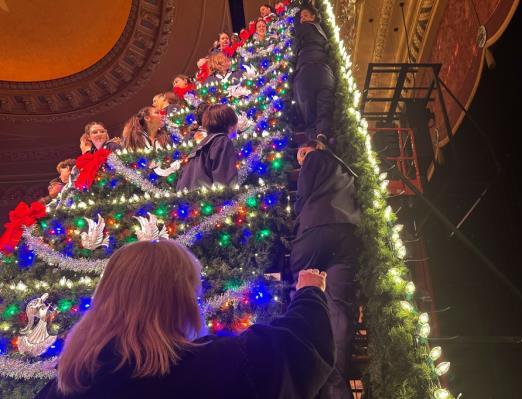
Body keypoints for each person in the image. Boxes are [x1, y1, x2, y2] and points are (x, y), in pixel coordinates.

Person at [35, 240, 334, 399]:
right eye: (194, 293)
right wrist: (309, 291)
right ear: (179, 299)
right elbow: (299, 347)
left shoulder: (66, 385)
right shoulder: (214, 366)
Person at [290, 140, 361, 399]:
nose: (300, 159)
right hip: (347, 232)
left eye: (301, 154)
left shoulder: (314, 158)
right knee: (339, 304)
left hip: (315, 228)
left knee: (300, 291)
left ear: (311, 148)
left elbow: (303, 196)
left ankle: (311, 373)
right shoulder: (347, 170)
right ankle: (336, 377)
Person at [292, 4, 335, 145]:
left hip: (308, 71)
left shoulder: (302, 29)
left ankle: (315, 142)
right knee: (323, 108)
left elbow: (294, 47)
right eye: (301, 17)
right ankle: (322, 137)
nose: (302, 19)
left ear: (313, 17)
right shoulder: (323, 34)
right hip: (323, 72)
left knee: (309, 113)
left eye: (305, 15)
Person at [176, 104, 238, 190]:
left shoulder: (200, 146)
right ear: (231, 125)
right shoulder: (222, 141)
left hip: (190, 200)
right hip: (209, 201)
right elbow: (224, 184)